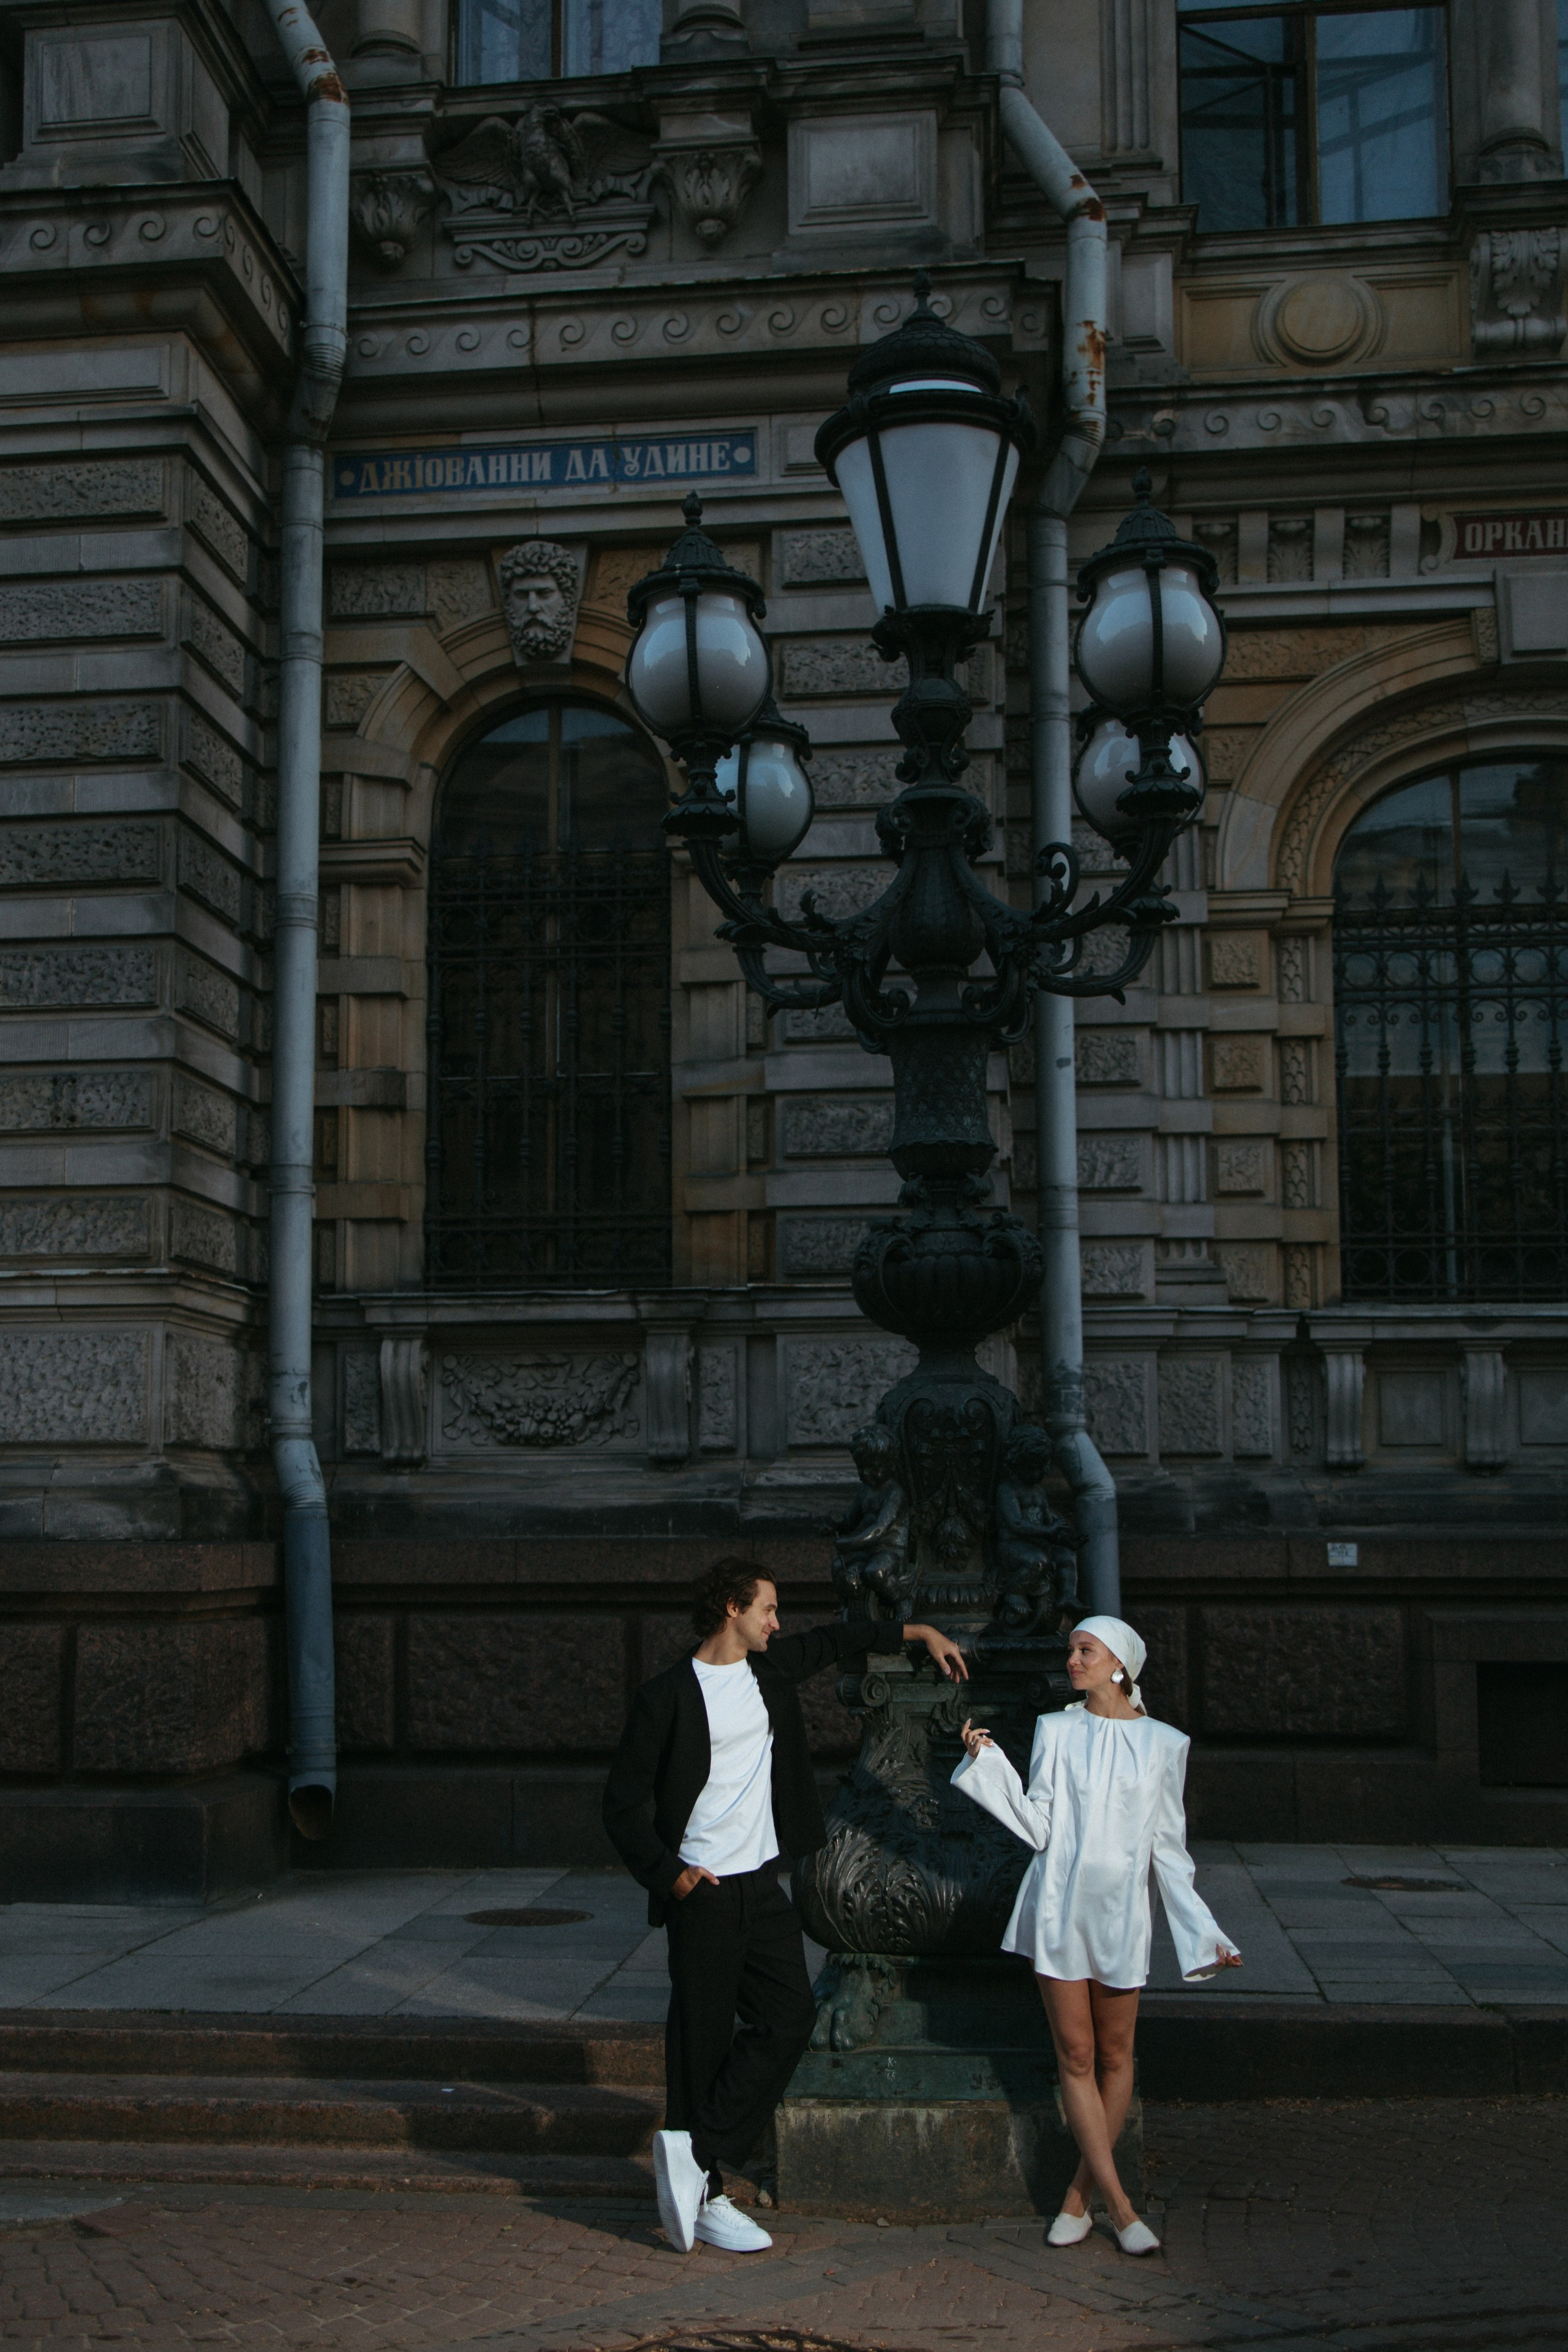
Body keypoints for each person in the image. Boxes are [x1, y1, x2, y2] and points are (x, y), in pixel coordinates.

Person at [602, 1556, 968, 2256]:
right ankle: (705, 2194)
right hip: (701, 1893)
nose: (777, 1622)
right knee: (701, 2040)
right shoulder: (666, 1697)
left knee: (790, 2016)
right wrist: (668, 1875)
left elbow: (839, 1639)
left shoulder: (768, 1670)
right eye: (767, 1609)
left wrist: (918, 1631)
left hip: (762, 1888)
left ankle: (695, 2152)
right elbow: (621, 1806)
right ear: (732, 1610)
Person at [952, 1614, 1240, 2256]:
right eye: (1072, 1651)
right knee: (1075, 2058)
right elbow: (1037, 1826)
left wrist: (1204, 1931)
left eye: (1085, 1651)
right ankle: (1123, 2207)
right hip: (1057, 1906)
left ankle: (1079, 2196)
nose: (1072, 1661)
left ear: (1119, 1664)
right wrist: (988, 1763)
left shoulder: (1166, 1744)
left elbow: (1170, 1850)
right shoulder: (1054, 1729)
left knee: (1115, 2056)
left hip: (1121, 1916)